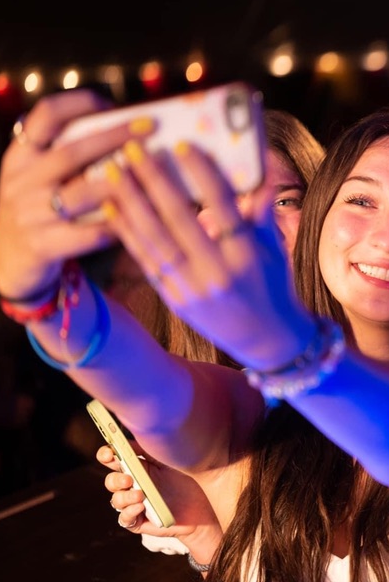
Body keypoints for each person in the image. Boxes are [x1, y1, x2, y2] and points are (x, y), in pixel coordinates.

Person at [0, 91, 389, 582]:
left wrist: (280, 342)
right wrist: (39, 298)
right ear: (325, 217)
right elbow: (153, 393)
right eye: (361, 200)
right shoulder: (252, 406)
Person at [101, 108, 325, 556]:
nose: (252, 226)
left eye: (283, 201)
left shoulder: (367, 356)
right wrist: (201, 529)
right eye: (220, 203)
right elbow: (257, 581)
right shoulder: (179, 371)